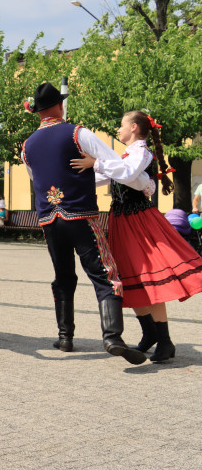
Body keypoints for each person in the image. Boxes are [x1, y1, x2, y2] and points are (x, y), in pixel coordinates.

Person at [20, 82, 146, 365]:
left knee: (63, 277)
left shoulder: (27, 145)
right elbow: (116, 164)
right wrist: (145, 182)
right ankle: (112, 337)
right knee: (105, 274)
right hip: (81, 215)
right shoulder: (78, 132)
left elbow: (35, 178)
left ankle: (65, 337)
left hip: (49, 219)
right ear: (60, 106)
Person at [71, 110, 202, 363]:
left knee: (150, 277)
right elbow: (112, 175)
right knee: (130, 279)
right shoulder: (122, 156)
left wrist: (96, 163)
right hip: (122, 220)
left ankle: (165, 341)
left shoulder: (141, 151)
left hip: (140, 221)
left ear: (133, 127)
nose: (117, 130)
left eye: (121, 125)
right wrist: (77, 175)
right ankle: (150, 333)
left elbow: (128, 174)